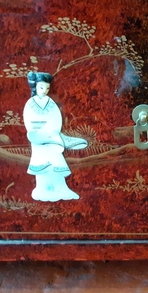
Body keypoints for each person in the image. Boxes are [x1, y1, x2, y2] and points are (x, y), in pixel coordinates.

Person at [23, 72, 87, 202]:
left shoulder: (50, 102)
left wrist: (52, 132)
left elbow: (56, 120)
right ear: (36, 86)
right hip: (38, 137)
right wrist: (40, 132)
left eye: (47, 88)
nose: (45, 91)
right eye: (41, 88)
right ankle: (42, 190)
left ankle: (61, 189)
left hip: (52, 135)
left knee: (55, 161)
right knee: (42, 165)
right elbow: (29, 122)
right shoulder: (30, 103)